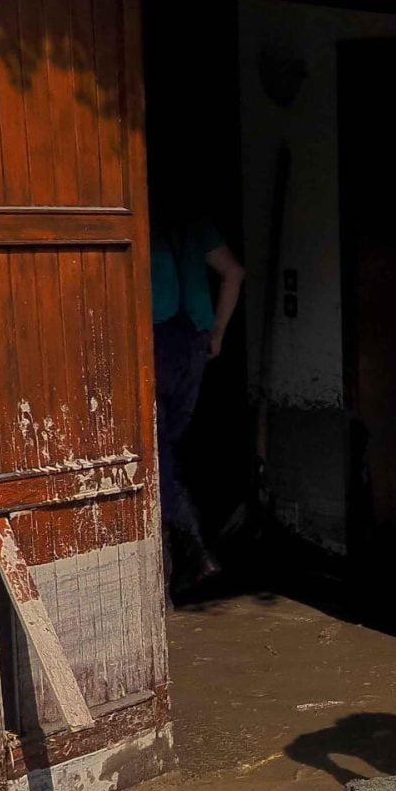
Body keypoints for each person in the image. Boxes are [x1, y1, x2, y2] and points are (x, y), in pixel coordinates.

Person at [149, 192, 245, 595]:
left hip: (158, 342)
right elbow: (234, 272)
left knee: (158, 452)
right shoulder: (197, 221)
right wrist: (219, 333)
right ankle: (189, 553)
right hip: (195, 341)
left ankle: (191, 550)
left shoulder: (141, 219)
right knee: (168, 448)